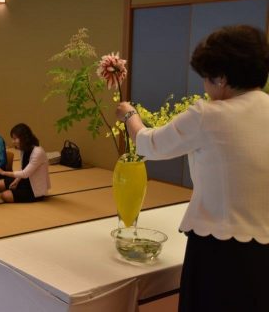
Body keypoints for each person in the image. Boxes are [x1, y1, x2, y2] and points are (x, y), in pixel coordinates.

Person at [115, 25, 269, 312]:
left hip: (220, 247)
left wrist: (129, 115)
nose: (205, 88)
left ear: (222, 78)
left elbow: (150, 144)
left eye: (207, 79)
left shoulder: (209, 115)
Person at [0, 123, 50, 203]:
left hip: (34, 189)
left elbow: (25, 173)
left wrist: (3, 173)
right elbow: (23, 168)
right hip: (23, 179)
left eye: (15, 139)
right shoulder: (23, 149)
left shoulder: (38, 152)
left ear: (24, 138)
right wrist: (17, 180)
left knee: (5, 195)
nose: (13, 141)